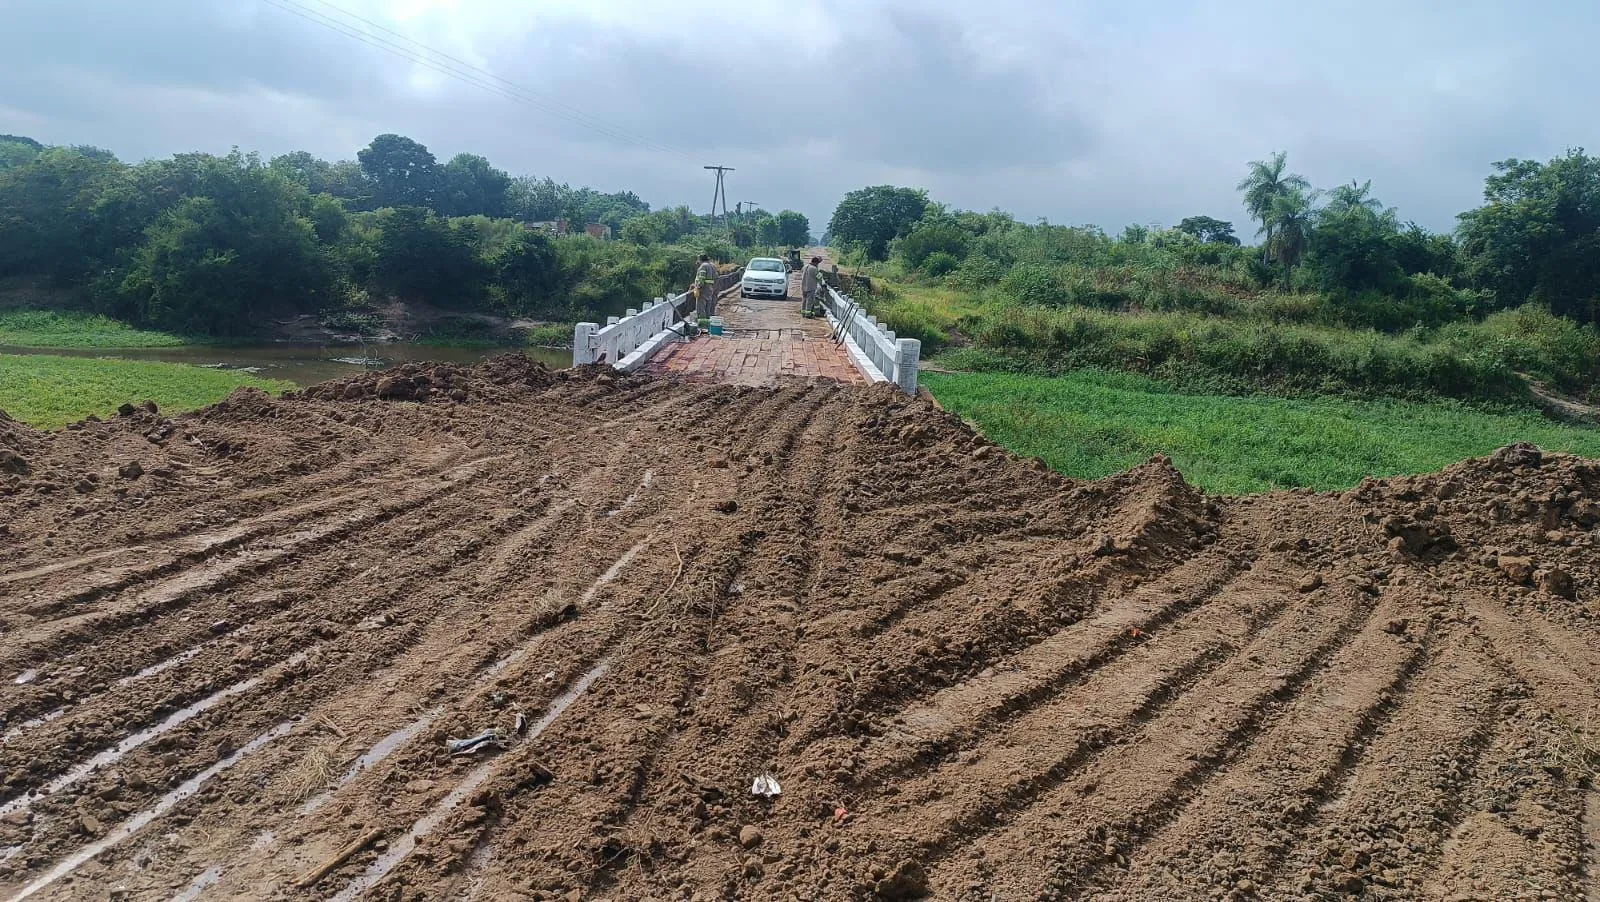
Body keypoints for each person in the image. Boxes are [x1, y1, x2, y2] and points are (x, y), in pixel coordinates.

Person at [694, 254, 719, 318]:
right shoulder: (712, 266)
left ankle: (702, 323)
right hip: (710, 289)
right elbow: (716, 278)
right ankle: (708, 323)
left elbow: (701, 278)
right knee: (708, 309)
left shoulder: (703, 266)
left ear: (700, 259)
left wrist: (698, 287)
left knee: (701, 308)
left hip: (703, 290)